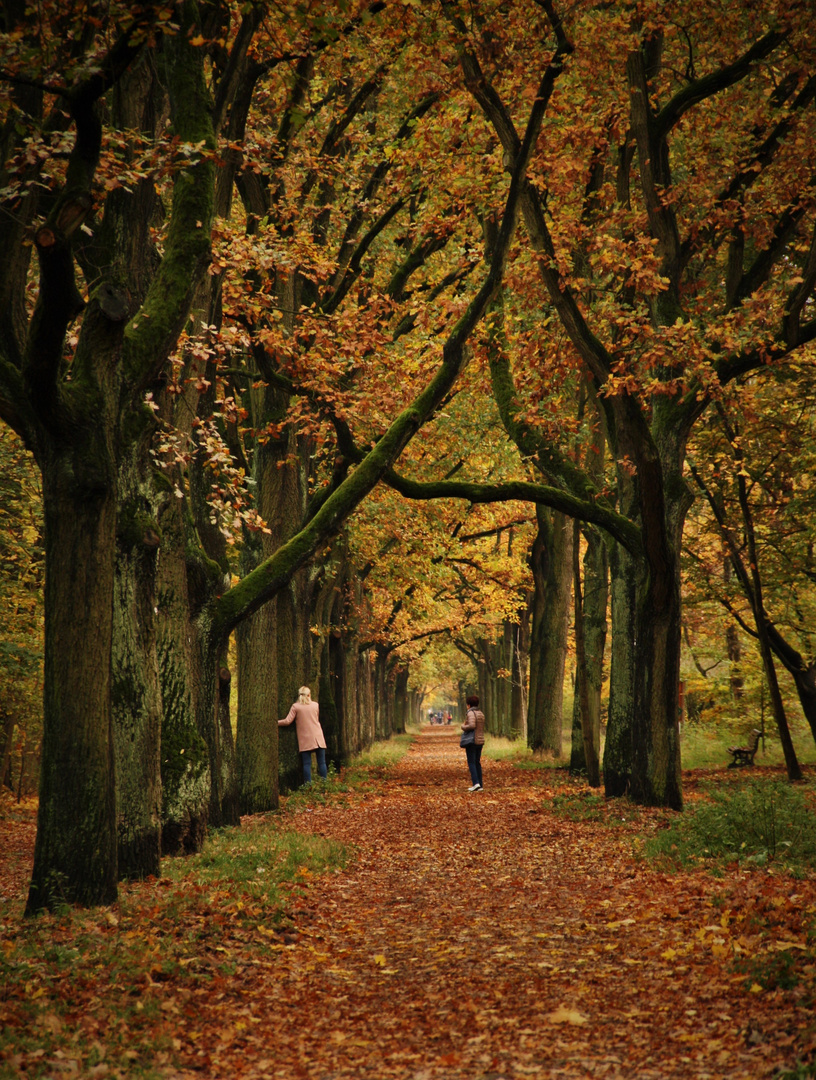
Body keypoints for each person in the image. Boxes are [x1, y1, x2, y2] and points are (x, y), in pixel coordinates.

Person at [279, 686, 328, 783]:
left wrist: (275, 722)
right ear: (309, 695)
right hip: (318, 737)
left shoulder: (296, 706)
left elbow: (287, 721)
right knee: (322, 762)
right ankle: (324, 784)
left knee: (306, 764)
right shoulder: (315, 705)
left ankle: (307, 786)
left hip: (305, 739)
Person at [461, 694, 485, 792]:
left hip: (472, 740)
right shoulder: (480, 713)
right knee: (477, 762)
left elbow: (471, 725)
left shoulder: (471, 713)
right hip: (480, 740)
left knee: (471, 762)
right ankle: (480, 784)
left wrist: (463, 726)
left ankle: (475, 783)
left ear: (469, 704)